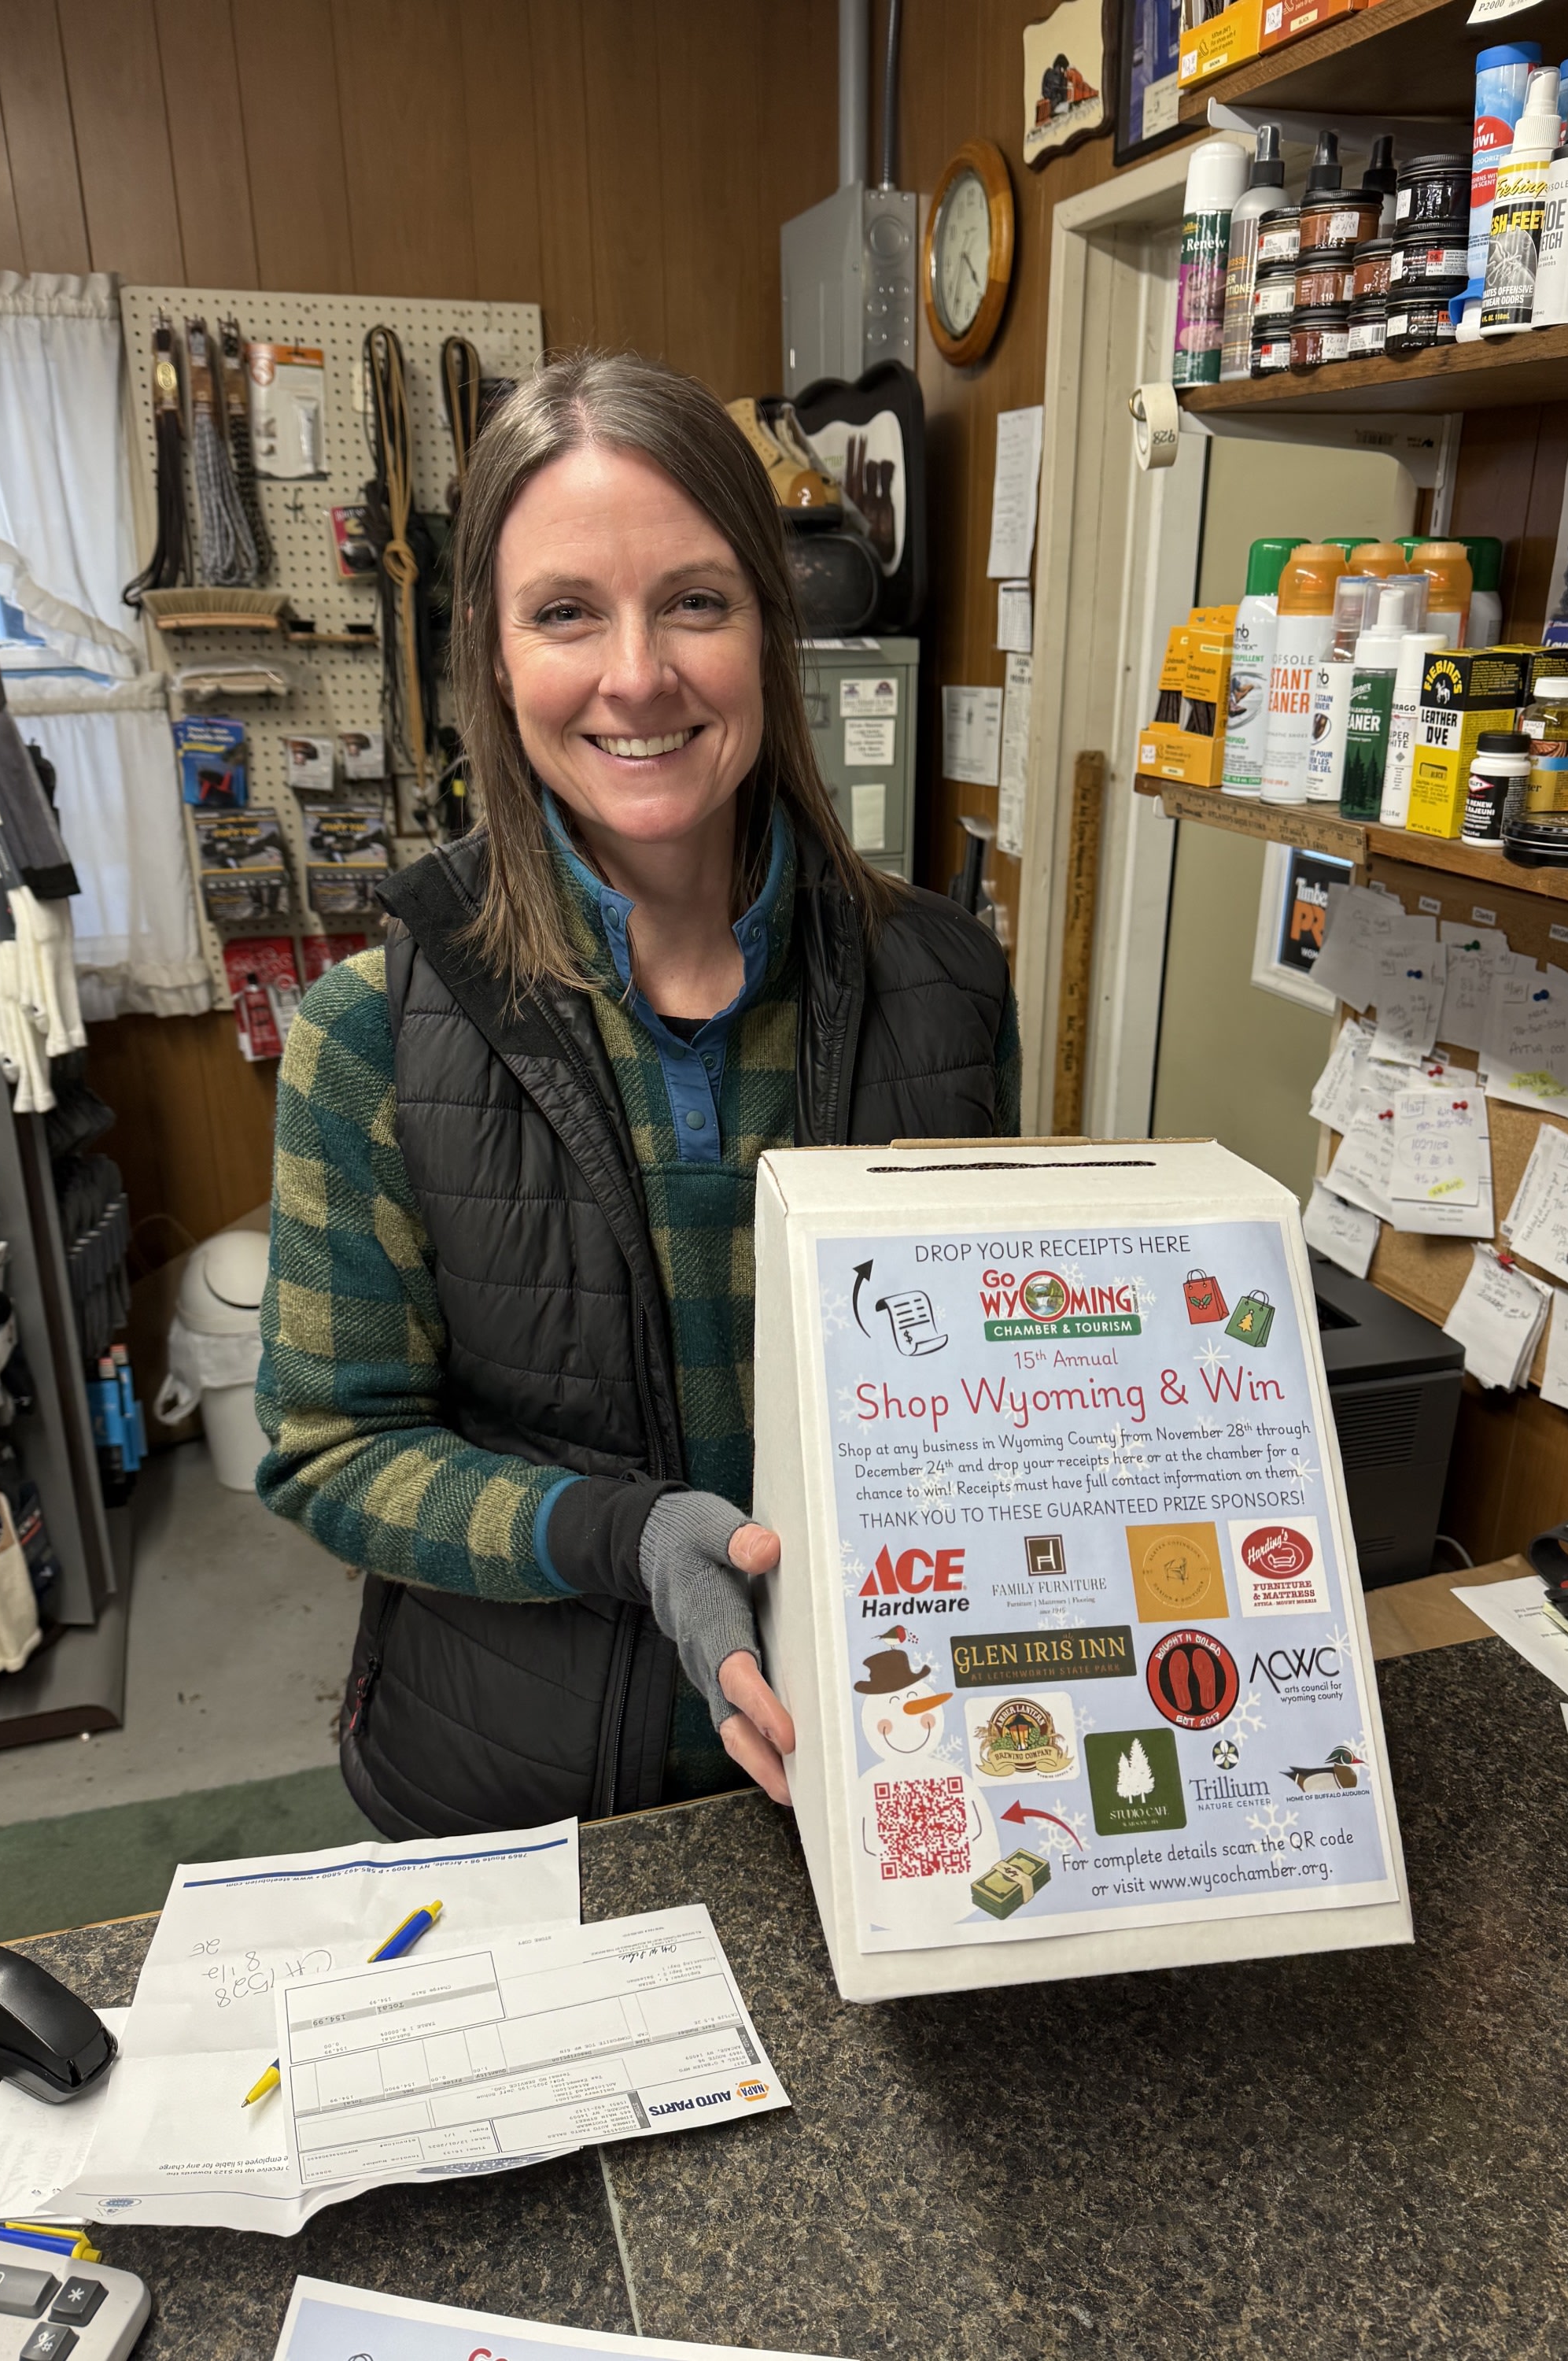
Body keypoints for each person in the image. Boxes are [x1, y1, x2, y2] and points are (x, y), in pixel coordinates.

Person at [256, 350, 1019, 1838]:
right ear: (490, 652)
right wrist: (618, 1532)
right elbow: (332, 1451)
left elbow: (979, 1384)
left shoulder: (945, 982)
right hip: (525, 1792)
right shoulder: (373, 1029)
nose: (635, 674)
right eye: (563, 613)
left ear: (769, 628)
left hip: (880, 1764)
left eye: (693, 601)